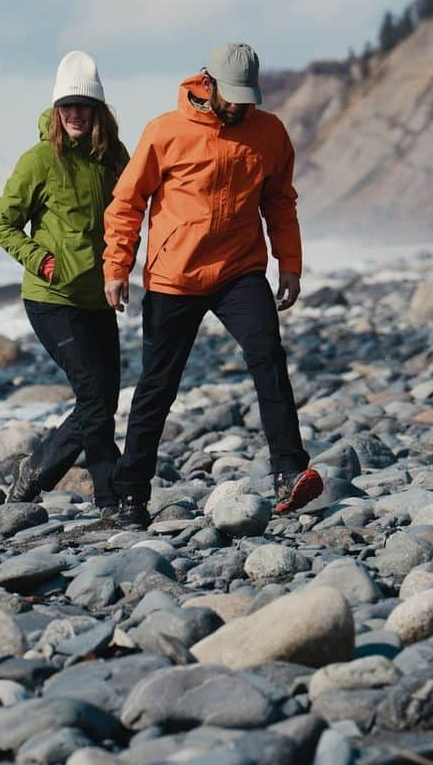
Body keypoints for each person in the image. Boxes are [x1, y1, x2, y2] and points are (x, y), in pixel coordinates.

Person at [103, 42, 323, 529]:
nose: (241, 106)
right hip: (174, 275)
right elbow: (127, 202)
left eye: (249, 97)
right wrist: (116, 267)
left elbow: (280, 201)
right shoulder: (165, 131)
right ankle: (129, 497)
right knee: (158, 387)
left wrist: (290, 264)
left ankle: (289, 473)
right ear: (209, 84)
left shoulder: (269, 133)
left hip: (239, 270)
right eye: (234, 96)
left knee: (268, 358)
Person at [0, 50, 130, 516]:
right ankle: (109, 498)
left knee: (104, 399)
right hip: (51, 299)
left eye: (83, 106)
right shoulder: (38, 162)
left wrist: (122, 268)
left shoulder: (113, 158)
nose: (75, 114)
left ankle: (36, 469)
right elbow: (2, 224)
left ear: (98, 111)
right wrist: (41, 260)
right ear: (56, 110)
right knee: (94, 396)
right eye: (67, 106)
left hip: (98, 298)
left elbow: (130, 211)